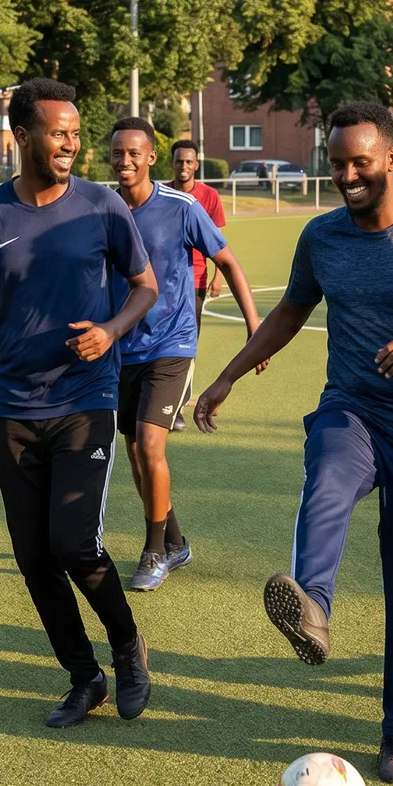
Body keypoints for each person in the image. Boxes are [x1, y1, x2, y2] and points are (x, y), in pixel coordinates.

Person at [195, 101, 393, 786]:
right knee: (328, 475)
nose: (346, 173)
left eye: (359, 162)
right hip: (353, 408)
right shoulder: (322, 238)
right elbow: (291, 308)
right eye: (337, 161)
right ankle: (311, 604)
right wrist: (228, 374)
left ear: (390, 161)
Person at [0, 79, 160, 728]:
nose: (71, 141)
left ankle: (127, 646)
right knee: (33, 557)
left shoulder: (100, 206)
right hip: (12, 407)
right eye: (58, 131)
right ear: (23, 136)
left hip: (85, 399)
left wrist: (112, 331)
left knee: (73, 543)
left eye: (74, 131)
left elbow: (144, 286)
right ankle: (83, 676)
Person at [108, 118, 262, 591]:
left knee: (151, 445)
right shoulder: (103, 207)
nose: (126, 161)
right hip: (121, 349)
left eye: (136, 153)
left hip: (171, 344)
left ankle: (154, 553)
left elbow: (228, 263)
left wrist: (256, 329)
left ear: (152, 157)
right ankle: (175, 541)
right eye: (118, 153)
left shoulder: (181, 206)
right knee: (135, 455)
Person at [167, 138, 228, 431]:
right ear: (172, 163)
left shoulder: (209, 196)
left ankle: (177, 407)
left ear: (196, 165)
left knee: (185, 345)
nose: (184, 166)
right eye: (179, 161)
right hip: (163, 281)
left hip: (196, 282)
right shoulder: (162, 193)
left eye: (189, 161)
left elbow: (218, 241)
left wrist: (218, 276)